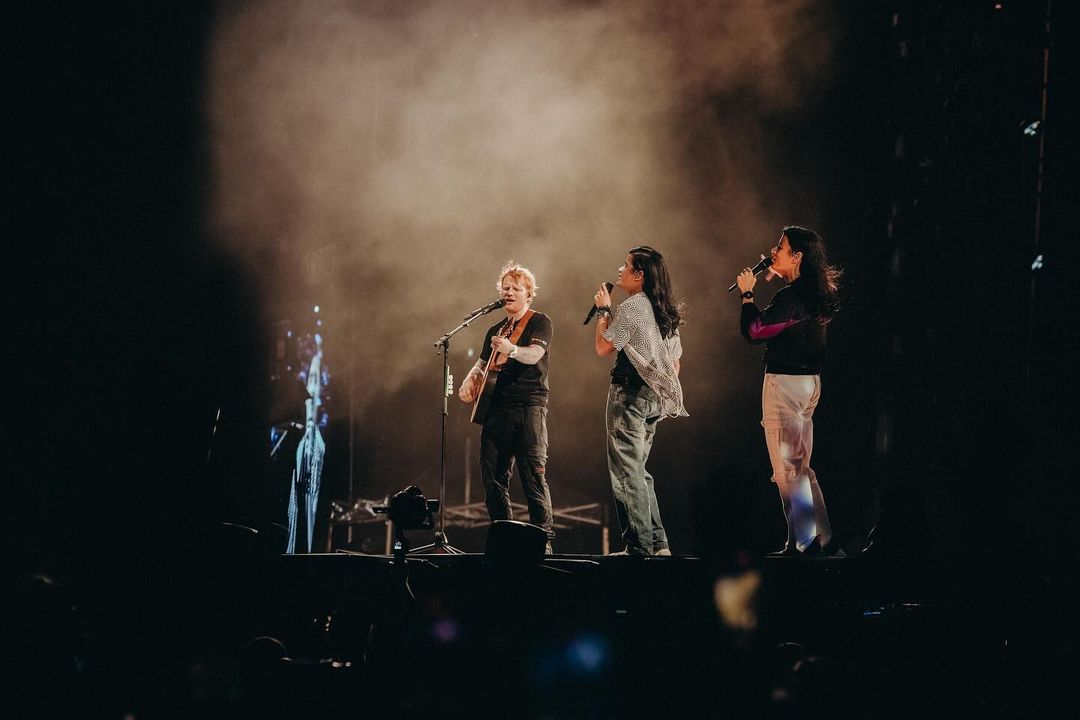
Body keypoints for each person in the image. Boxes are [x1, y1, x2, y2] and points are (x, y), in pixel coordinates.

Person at [736, 226, 842, 557]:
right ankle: (822, 539)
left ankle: (805, 542)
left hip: (785, 385)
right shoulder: (811, 293)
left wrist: (747, 296)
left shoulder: (791, 297)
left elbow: (755, 332)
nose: (772, 251)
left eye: (780, 247)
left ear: (797, 256)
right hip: (809, 384)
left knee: (788, 471)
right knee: (801, 466)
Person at [593, 246, 687, 556]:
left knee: (626, 471)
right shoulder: (665, 311)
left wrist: (604, 311)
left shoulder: (633, 307)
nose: (620, 270)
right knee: (639, 470)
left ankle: (640, 546)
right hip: (654, 399)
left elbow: (604, 347)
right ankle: (658, 544)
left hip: (629, 394)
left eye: (626, 265)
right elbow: (674, 366)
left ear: (639, 275)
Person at [458, 261, 555, 553]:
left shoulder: (540, 321)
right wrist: (467, 382)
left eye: (515, 288)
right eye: (505, 287)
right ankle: (506, 544)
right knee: (493, 481)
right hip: (495, 412)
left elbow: (534, 354)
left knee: (533, 477)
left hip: (528, 408)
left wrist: (512, 350)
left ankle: (544, 544)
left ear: (529, 293)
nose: (508, 292)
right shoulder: (495, 329)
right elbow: (479, 367)